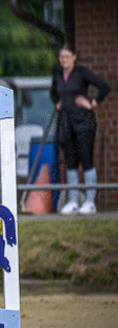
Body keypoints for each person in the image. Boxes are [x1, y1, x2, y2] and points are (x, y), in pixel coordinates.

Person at [51, 44, 110, 214]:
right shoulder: (58, 75)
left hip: (84, 124)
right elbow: (53, 93)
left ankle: (90, 202)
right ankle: (73, 200)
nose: (64, 60)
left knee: (87, 161)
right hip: (66, 125)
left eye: (67, 57)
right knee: (71, 162)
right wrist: (57, 103)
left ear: (74, 57)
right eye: (61, 57)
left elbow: (104, 87)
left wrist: (92, 103)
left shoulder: (82, 73)